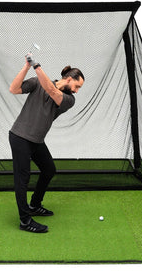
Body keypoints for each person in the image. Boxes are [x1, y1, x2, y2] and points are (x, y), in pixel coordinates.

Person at [9, 56, 85, 233]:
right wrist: (27, 66)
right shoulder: (36, 82)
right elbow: (14, 89)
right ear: (69, 79)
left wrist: (36, 65)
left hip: (36, 140)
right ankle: (25, 221)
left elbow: (51, 90)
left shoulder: (69, 100)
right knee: (22, 179)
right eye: (77, 86)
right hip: (20, 136)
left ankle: (35, 205)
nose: (77, 91)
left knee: (49, 169)